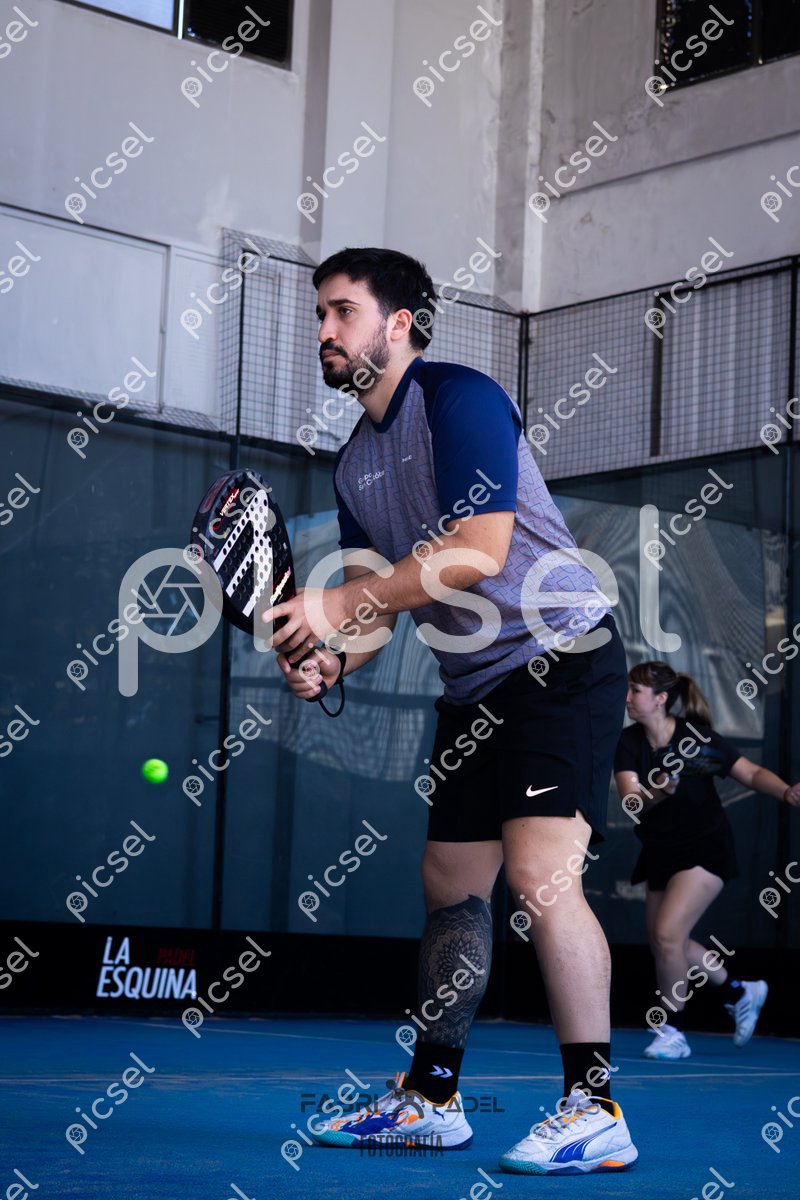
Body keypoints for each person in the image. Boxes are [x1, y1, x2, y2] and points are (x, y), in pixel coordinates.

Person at [266, 246, 638, 1175]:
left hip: (562, 656)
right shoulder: (356, 465)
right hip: (474, 688)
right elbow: (379, 611)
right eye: (320, 315)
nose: (324, 331)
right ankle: (433, 1098)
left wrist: (334, 605)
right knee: (450, 884)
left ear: (398, 324)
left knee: (542, 875)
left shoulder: (460, 398)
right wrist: (329, 659)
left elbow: (477, 550)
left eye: (342, 312)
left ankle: (595, 1108)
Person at [614, 660, 800, 1061]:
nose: (626, 697)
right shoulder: (628, 742)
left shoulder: (697, 738)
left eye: (635, 691)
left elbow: (751, 773)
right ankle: (739, 991)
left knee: (667, 936)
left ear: (660, 698)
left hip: (705, 848)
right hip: (659, 851)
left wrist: (786, 792)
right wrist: (658, 793)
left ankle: (672, 1032)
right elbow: (631, 801)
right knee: (666, 941)